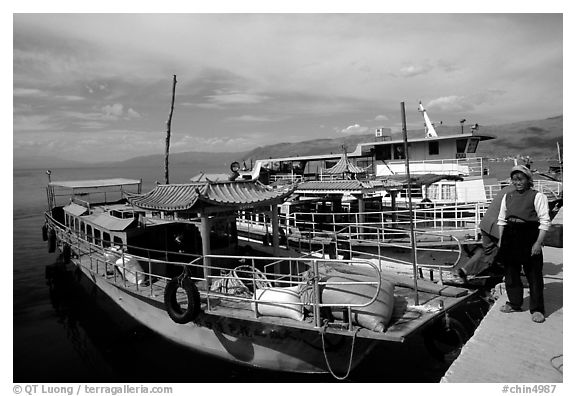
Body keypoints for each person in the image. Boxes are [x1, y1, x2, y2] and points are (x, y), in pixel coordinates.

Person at [497, 165, 550, 323]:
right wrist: (501, 239)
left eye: (521, 179)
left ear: (528, 180)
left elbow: (545, 221)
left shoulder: (538, 196)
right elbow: (501, 219)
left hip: (529, 233)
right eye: (514, 179)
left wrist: (538, 243)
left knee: (533, 274)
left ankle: (537, 309)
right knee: (511, 273)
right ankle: (514, 303)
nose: (517, 182)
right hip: (510, 234)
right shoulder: (508, 196)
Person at [455, 184, 516, 282]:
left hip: (486, 224)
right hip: (497, 226)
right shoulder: (518, 193)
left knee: (488, 251)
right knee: (511, 249)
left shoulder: (506, 189)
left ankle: (464, 270)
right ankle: (510, 276)